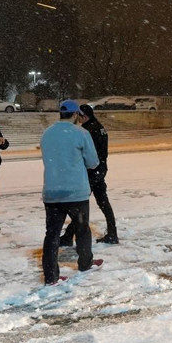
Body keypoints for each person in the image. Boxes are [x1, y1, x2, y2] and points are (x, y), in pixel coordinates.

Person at [40, 100, 103, 286]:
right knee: (82, 230)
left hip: (51, 191)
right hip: (76, 192)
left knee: (51, 235)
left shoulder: (47, 133)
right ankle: (85, 263)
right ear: (75, 115)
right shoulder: (81, 133)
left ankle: (51, 276)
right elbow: (93, 162)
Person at [60, 104, 118, 245]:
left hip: (91, 171)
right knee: (103, 202)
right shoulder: (99, 127)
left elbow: (88, 154)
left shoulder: (88, 131)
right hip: (99, 170)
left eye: (79, 116)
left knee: (80, 204)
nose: (77, 119)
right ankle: (112, 233)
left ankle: (68, 237)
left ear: (84, 116)